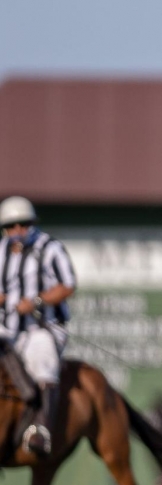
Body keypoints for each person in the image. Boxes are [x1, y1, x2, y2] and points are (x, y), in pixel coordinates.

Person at [0, 196, 77, 459]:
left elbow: (67, 286)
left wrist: (37, 301)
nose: (18, 231)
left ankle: (40, 429)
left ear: (32, 224)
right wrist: (9, 302)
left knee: (42, 355)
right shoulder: (0, 252)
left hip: (43, 326)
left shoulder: (50, 248)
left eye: (23, 224)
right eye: (12, 226)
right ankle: (27, 393)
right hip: (8, 328)